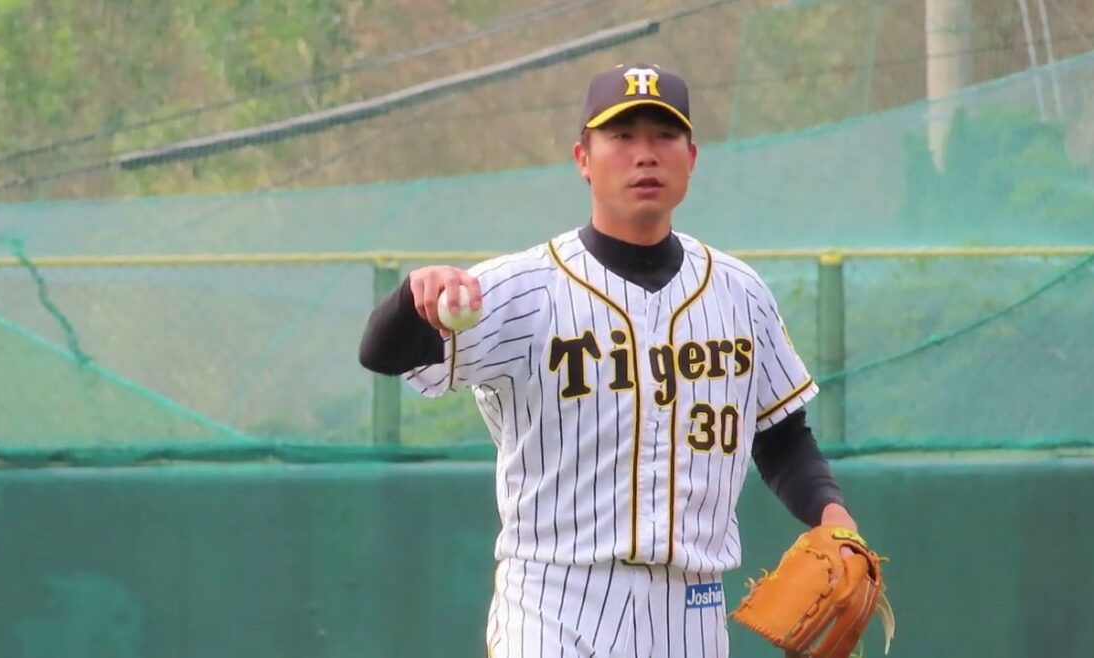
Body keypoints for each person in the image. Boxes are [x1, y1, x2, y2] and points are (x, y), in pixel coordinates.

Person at [358, 62, 858, 658]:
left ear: (691, 158)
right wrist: (411, 294)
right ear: (583, 159)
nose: (645, 154)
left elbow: (780, 436)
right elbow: (381, 354)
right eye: (622, 136)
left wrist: (833, 516)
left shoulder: (740, 293)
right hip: (554, 602)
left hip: (693, 610)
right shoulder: (520, 289)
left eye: (664, 136)